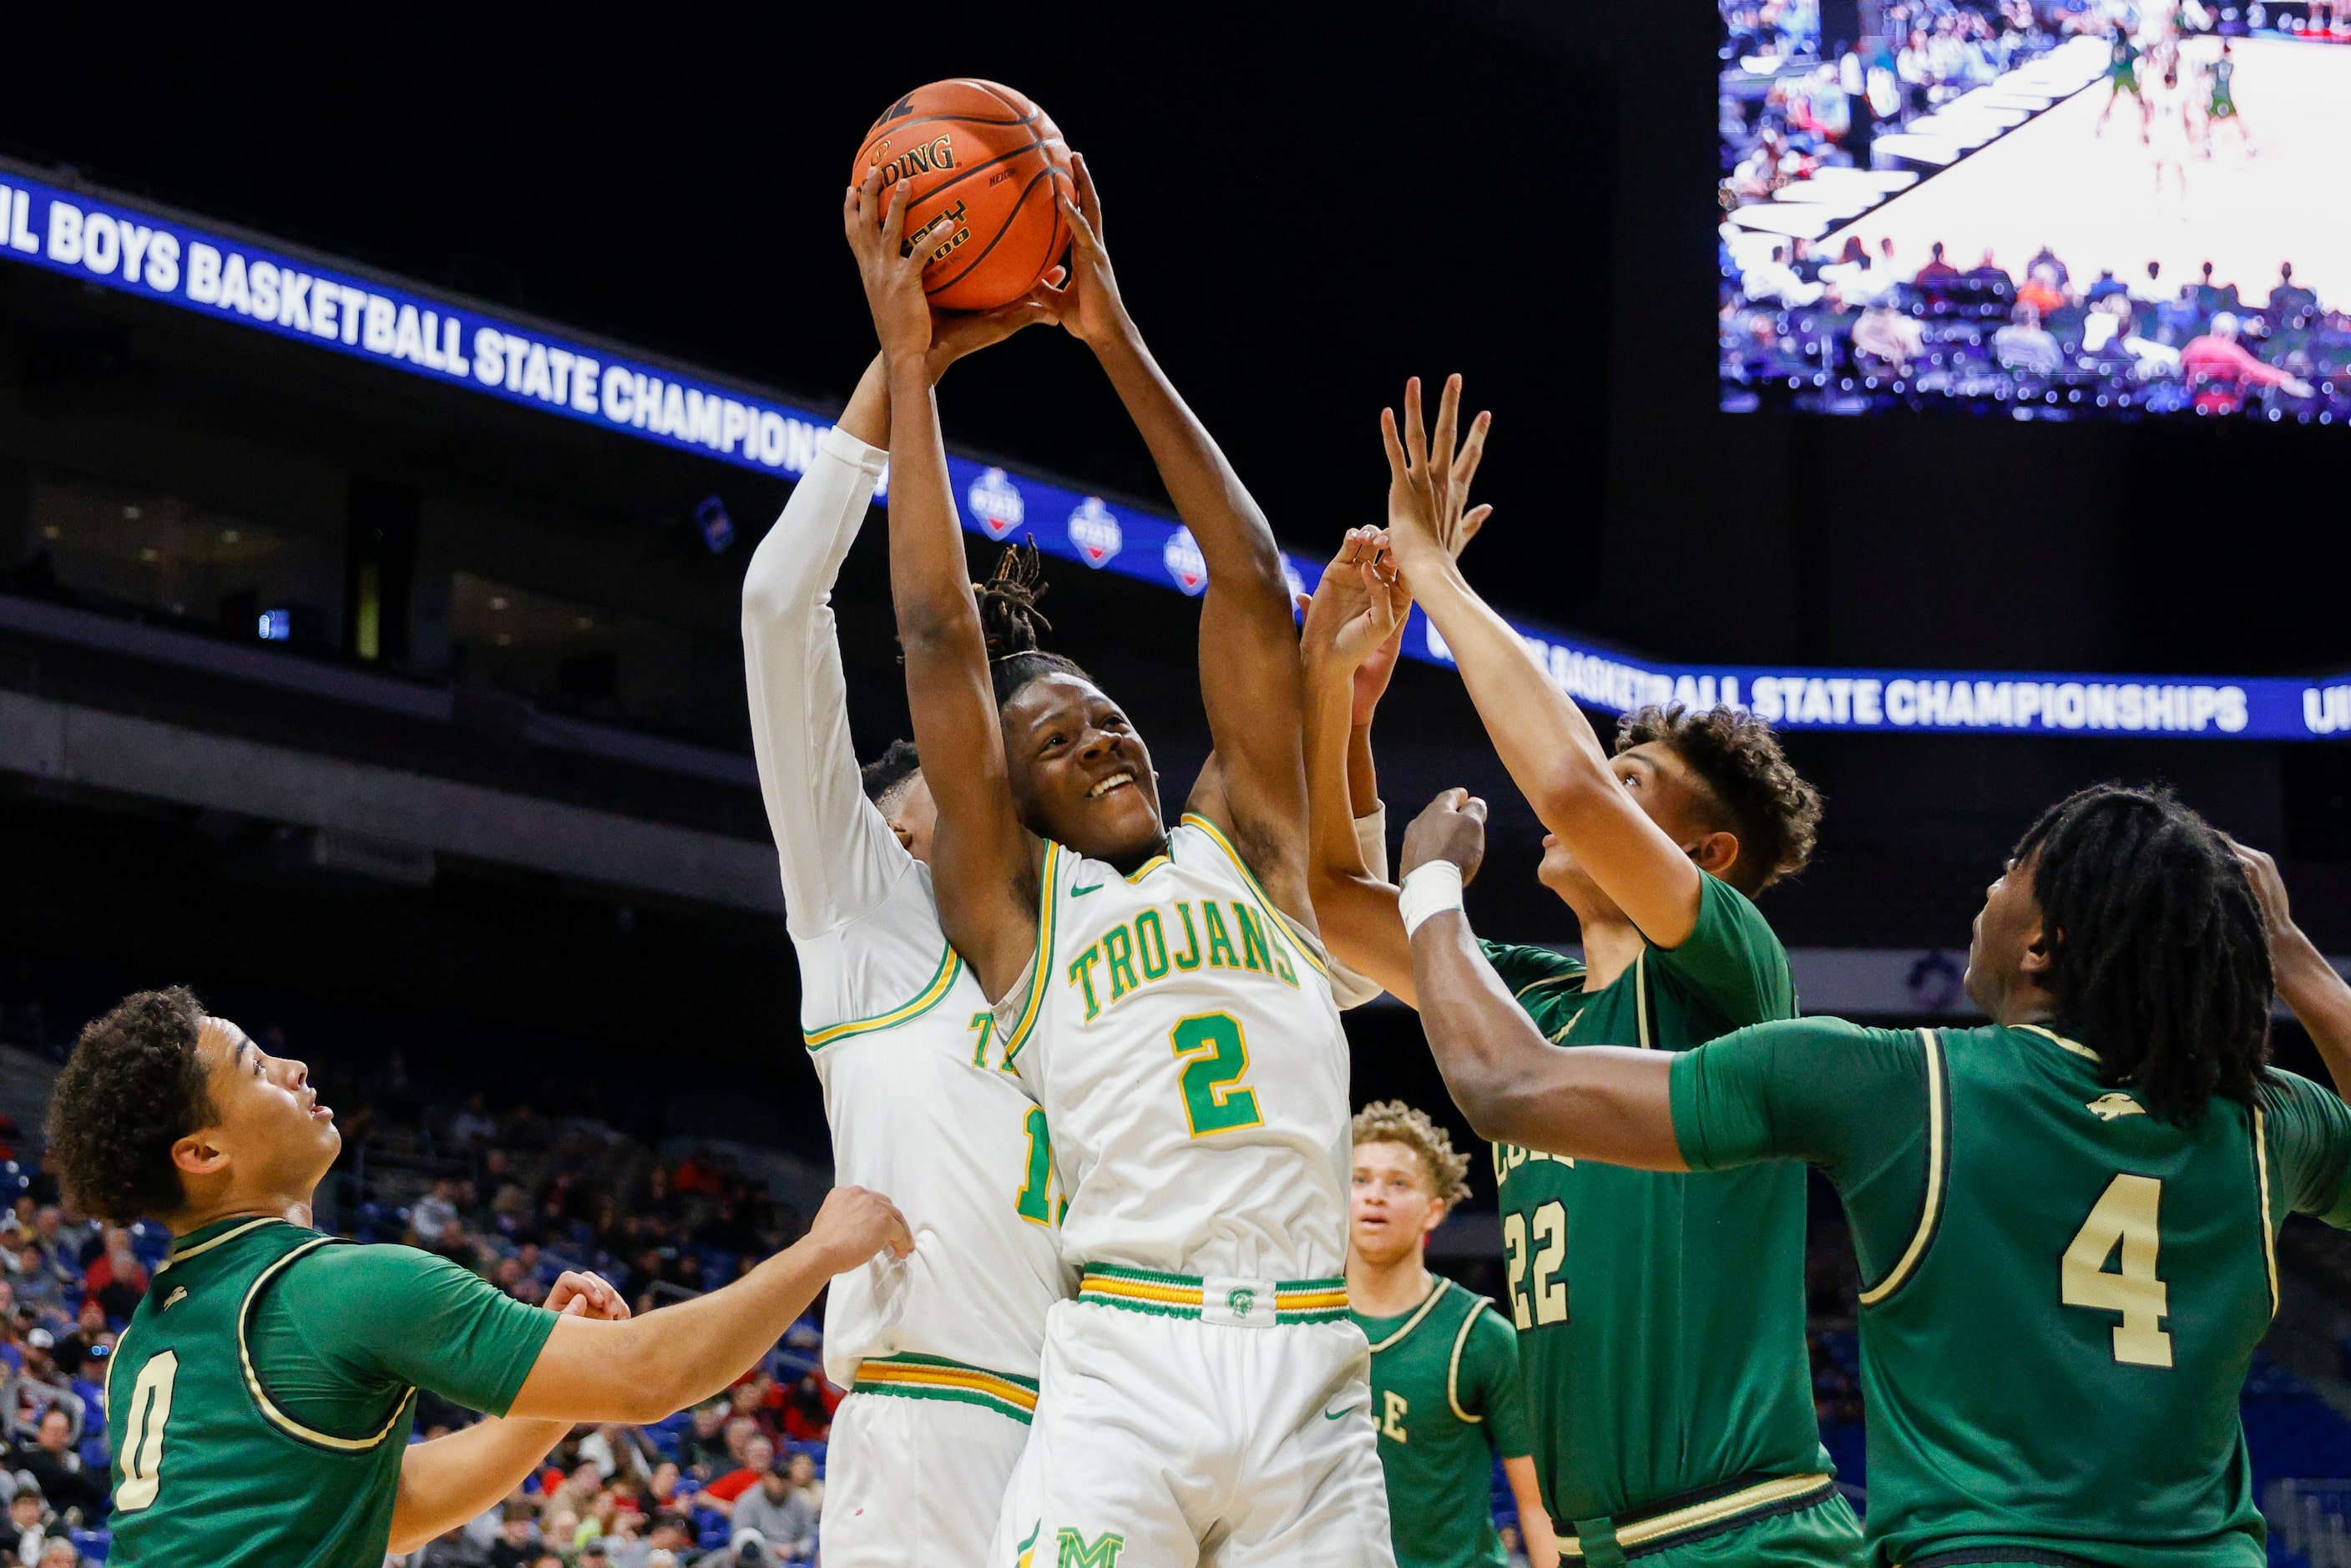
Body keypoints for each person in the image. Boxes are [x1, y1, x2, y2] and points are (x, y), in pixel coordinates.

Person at [845, 154, 1392, 1565]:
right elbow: (935, 637)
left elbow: (1247, 575)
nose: (1105, 739)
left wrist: (1110, 331)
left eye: (1109, 715)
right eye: (1059, 740)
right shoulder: (1021, 913)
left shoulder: (1253, 848)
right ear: (1009, 799)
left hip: (1310, 1366)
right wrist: (912, 369)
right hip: (1123, 1360)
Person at [1392, 779, 2351, 1566]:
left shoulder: (1904, 1084)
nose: (1985, 893)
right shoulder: (2263, 1121)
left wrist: (1431, 880)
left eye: (2008, 874)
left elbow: (1508, 1083)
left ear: (2041, 944)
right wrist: (2297, 964)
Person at [1300, 382, 1856, 1567]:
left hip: (1742, 1532)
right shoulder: (1531, 1002)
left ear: (1702, 856)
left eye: (1636, 778)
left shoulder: (1729, 970)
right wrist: (1348, 715)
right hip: (1606, 1543)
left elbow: (1565, 788)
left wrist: (1435, 571)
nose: (1604, 778)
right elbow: (1330, 903)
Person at [43, 989, 909, 1566]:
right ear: (201, 1153)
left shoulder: (147, 1339)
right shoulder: (337, 1290)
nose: (293, 1069)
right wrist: (820, 1250)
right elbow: (651, 1377)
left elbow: (386, 1507)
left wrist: (550, 1397)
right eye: (255, 1069)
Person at [738, 284, 1069, 1565]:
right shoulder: (860, 921)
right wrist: (899, 367)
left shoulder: (1076, 957)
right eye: (946, 788)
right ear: (891, 836)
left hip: (1099, 1436)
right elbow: (780, 606)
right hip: (928, 1426)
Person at [1347, 1101, 1555, 1568]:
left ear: (1433, 1212)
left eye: (1398, 1183)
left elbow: (1537, 1506)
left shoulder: (1481, 1337)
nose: (1374, 1195)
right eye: (1359, 1179)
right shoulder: (1307, 1325)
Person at [2182, 313, 2316, 397]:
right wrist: (2284, 378)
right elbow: (2256, 371)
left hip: (2196, 402)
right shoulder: (2233, 352)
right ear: (2232, 333)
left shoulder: (2196, 345)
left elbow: (2181, 364)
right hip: (2227, 406)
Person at [7, 1409, 103, 1517]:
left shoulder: (74, 1460)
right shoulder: (29, 1456)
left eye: (62, 1431)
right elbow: (51, 1479)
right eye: (53, 1430)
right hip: (41, 1514)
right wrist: (75, 1479)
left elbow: (96, 1490)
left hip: (78, 1513)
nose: (57, 1436)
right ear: (40, 1433)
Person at [1993, 304, 2065, 376]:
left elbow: (1998, 358)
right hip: (2040, 381)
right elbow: (2057, 364)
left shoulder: (2002, 333)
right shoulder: (2043, 338)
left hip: (2007, 377)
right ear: (2034, 318)